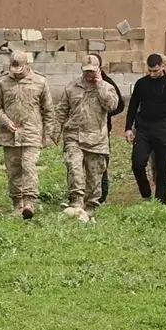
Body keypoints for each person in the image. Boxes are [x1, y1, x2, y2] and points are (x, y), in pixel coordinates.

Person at [0, 50, 55, 219]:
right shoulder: (2, 82)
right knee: (13, 169)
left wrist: (48, 134)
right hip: (9, 133)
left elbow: (48, 110)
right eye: (13, 70)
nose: (16, 74)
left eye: (20, 70)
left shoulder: (40, 82)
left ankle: (30, 202)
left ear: (27, 66)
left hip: (32, 131)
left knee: (29, 165)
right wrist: (4, 120)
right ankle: (17, 203)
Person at [54, 57, 120, 221]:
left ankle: (90, 205)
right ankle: (76, 202)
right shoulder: (72, 87)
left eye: (92, 70)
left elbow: (112, 106)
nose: (88, 74)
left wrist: (99, 85)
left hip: (96, 138)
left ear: (99, 69)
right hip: (74, 136)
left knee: (94, 174)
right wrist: (55, 131)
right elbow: (61, 110)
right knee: (74, 168)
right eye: (86, 70)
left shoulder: (107, 87)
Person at [124, 53, 166, 204]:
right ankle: (146, 194)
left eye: (156, 71)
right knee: (137, 164)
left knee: (162, 167)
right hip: (144, 128)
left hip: (163, 127)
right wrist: (128, 128)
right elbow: (132, 107)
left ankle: (160, 200)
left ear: (162, 67)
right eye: (150, 71)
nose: (153, 74)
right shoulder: (141, 84)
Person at [86, 53, 124, 206]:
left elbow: (119, 105)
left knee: (101, 163)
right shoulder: (80, 83)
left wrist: (103, 112)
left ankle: (102, 195)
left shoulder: (107, 83)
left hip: (102, 131)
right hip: (82, 131)